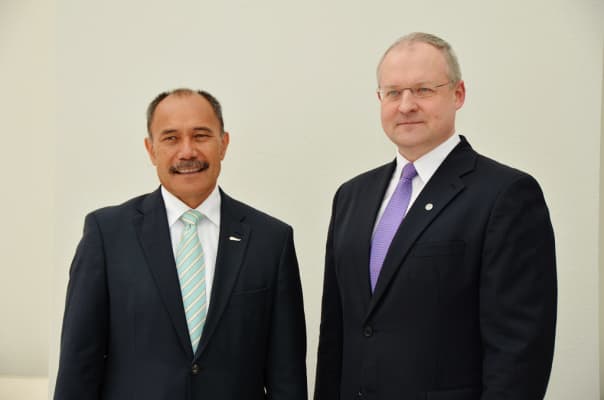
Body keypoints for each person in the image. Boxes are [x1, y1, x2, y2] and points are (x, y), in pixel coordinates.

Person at [314, 32, 556, 399]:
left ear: (458, 94)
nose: (406, 105)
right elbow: (336, 334)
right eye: (393, 92)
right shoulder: (351, 196)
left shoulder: (505, 196)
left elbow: (519, 351)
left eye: (423, 90)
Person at [54, 88, 307, 400]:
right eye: (171, 138)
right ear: (151, 150)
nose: (187, 152)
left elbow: (287, 375)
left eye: (201, 136)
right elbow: (78, 363)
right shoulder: (107, 234)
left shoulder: (271, 240)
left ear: (223, 144)